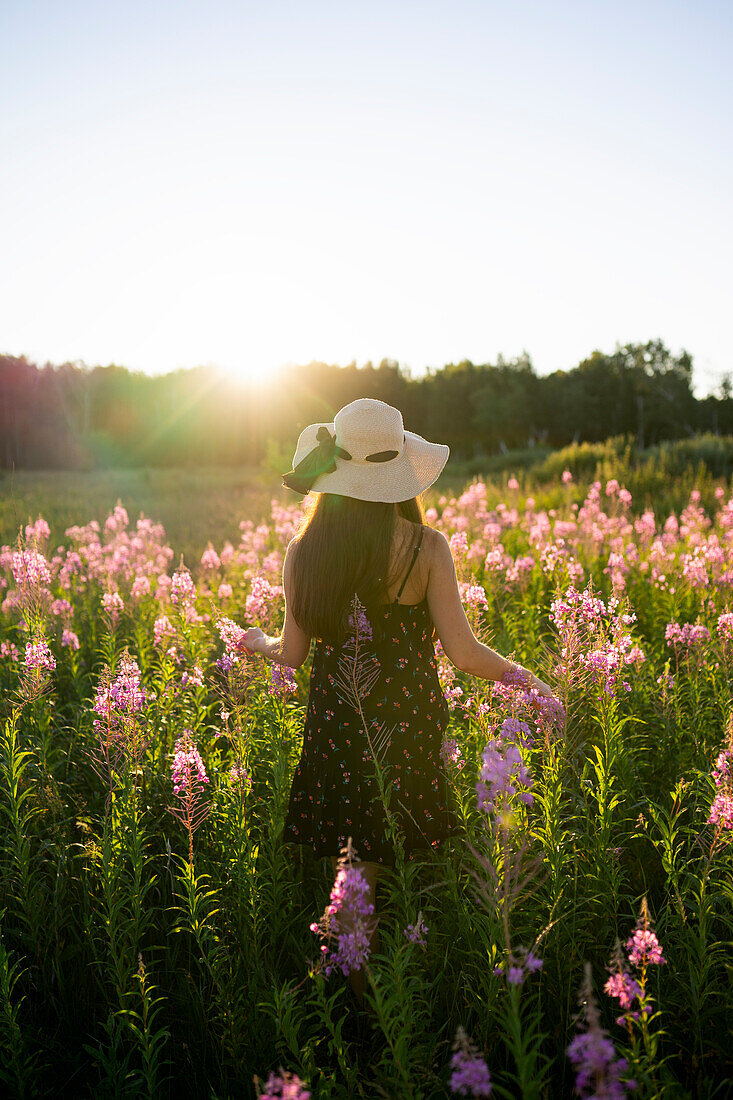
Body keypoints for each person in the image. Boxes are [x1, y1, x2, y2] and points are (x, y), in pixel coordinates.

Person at [241, 397, 554, 1007]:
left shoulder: (305, 553)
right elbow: (465, 655)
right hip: (408, 730)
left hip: (338, 730)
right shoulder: (425, 548)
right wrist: (529, 681)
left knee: (356, 870)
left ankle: (363, 1003)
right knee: (389, 865)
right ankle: (383, 1005)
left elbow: (293, 653)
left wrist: (258, 643)